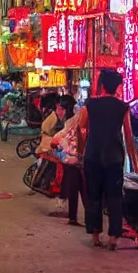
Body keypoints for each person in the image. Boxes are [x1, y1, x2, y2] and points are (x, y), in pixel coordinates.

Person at [60, 69, 138, 249]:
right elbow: (127, 135)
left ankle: (95, 235)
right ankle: (113, 238)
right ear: (117, 87)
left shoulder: (90, 105)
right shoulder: (122, 107)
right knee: (115, 197)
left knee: (94, 196)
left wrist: (81, 151)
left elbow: (80, 128)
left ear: (102, 86)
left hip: (93, 156)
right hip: (114, 158)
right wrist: (134, 162)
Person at [50, 94, 86, 226]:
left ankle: (87, 221)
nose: (57, 112)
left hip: (77, 159)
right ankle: (74, 217)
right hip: (71, 159)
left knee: (81, 188)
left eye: (60, 109)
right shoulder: (70, 121)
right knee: (74, 187)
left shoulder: (75, 120)